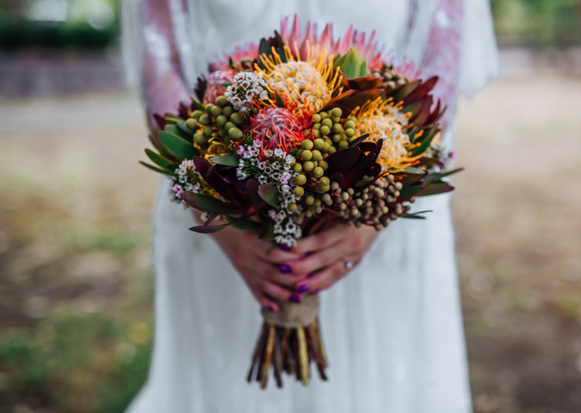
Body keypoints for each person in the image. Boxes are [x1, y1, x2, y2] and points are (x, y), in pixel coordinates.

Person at [122, 0, 499, 411]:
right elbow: (158, 54)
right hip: (218, 216)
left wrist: (375, 210)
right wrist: (216, 210)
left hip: (382, 214)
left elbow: (440, 62)